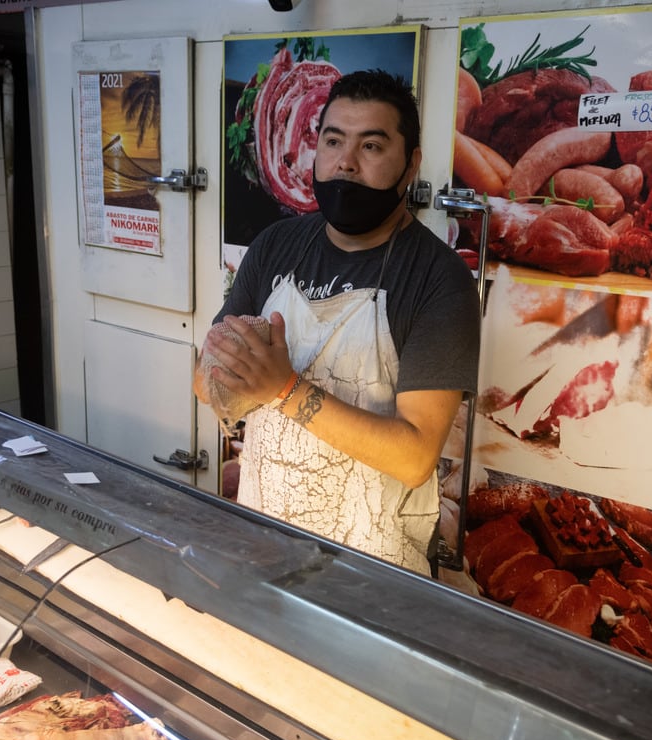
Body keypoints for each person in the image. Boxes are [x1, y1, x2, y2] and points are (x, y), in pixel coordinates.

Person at [195, 69, 480, 575]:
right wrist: (224, 375)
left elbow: (414, 457)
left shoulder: (441, 278)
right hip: (264, 540)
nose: (345, 163)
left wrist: (283, 390)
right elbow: (206, 380)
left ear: (411, 164)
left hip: (374, 569)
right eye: (332, 141)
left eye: (371, 146)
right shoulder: (274, 247)